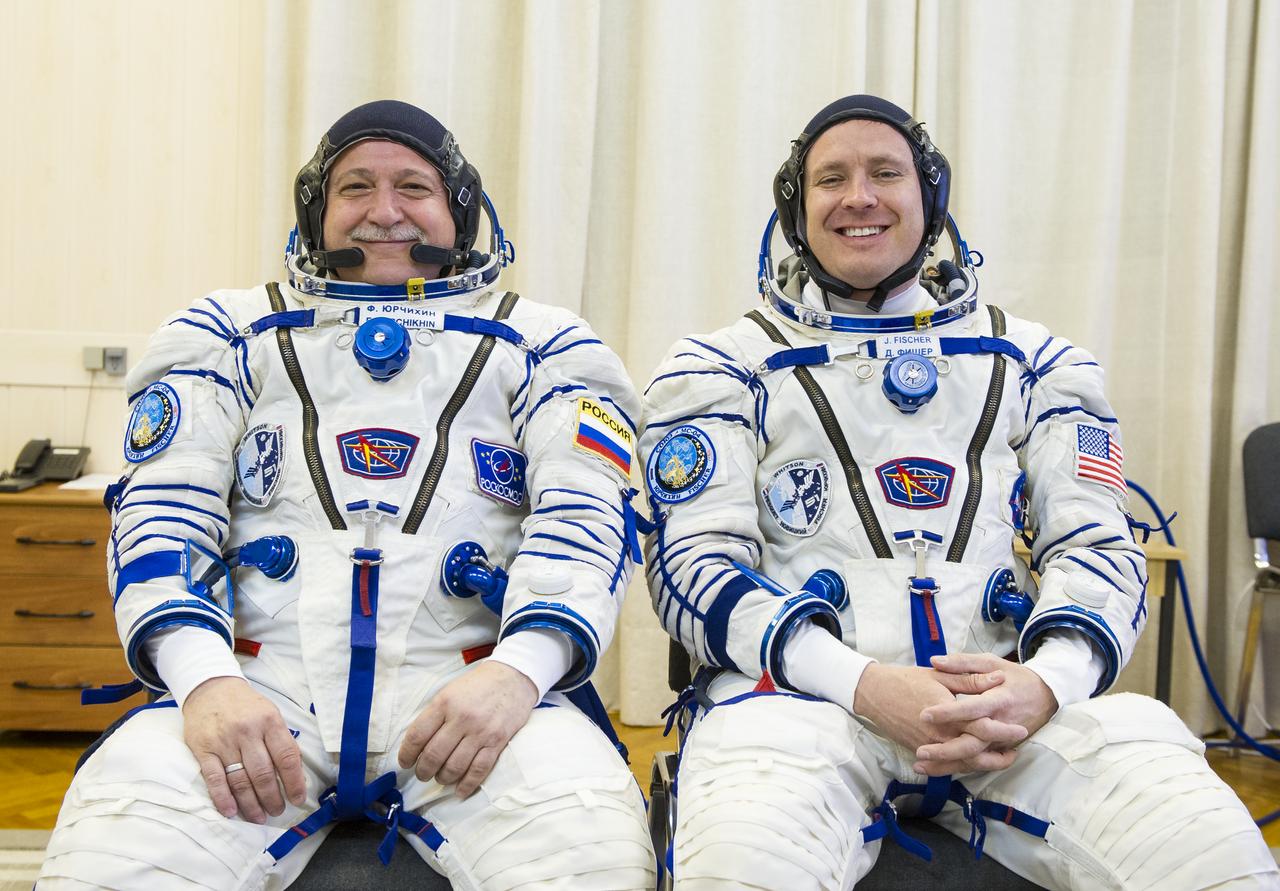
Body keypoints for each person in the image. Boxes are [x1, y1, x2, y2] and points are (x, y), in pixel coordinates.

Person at [639, 94, 1278, 889]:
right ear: (797, 209)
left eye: (885, 173)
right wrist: (863, 682)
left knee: (1212, 855)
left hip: (1008, 706)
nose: (859, 197)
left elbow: (1098, 545)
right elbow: (691, 566)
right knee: (741, 869)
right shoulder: (718, 366)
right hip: (801, 704)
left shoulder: (1039, 362)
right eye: (830, 178)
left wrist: (1047, 683)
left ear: (930, 197)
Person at [40, 99, 655, 890]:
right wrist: (204, 678)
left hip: (473, 693)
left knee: (592, 867)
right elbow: (161, 516)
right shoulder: (227, 333)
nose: (384, 211)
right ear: (317, 212)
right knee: (107, 865)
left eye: (413, 187)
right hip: (254, 691)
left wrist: (518, 674)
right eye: (355, 188)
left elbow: (587, 524)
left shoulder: (544, 344)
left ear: (458, 211)